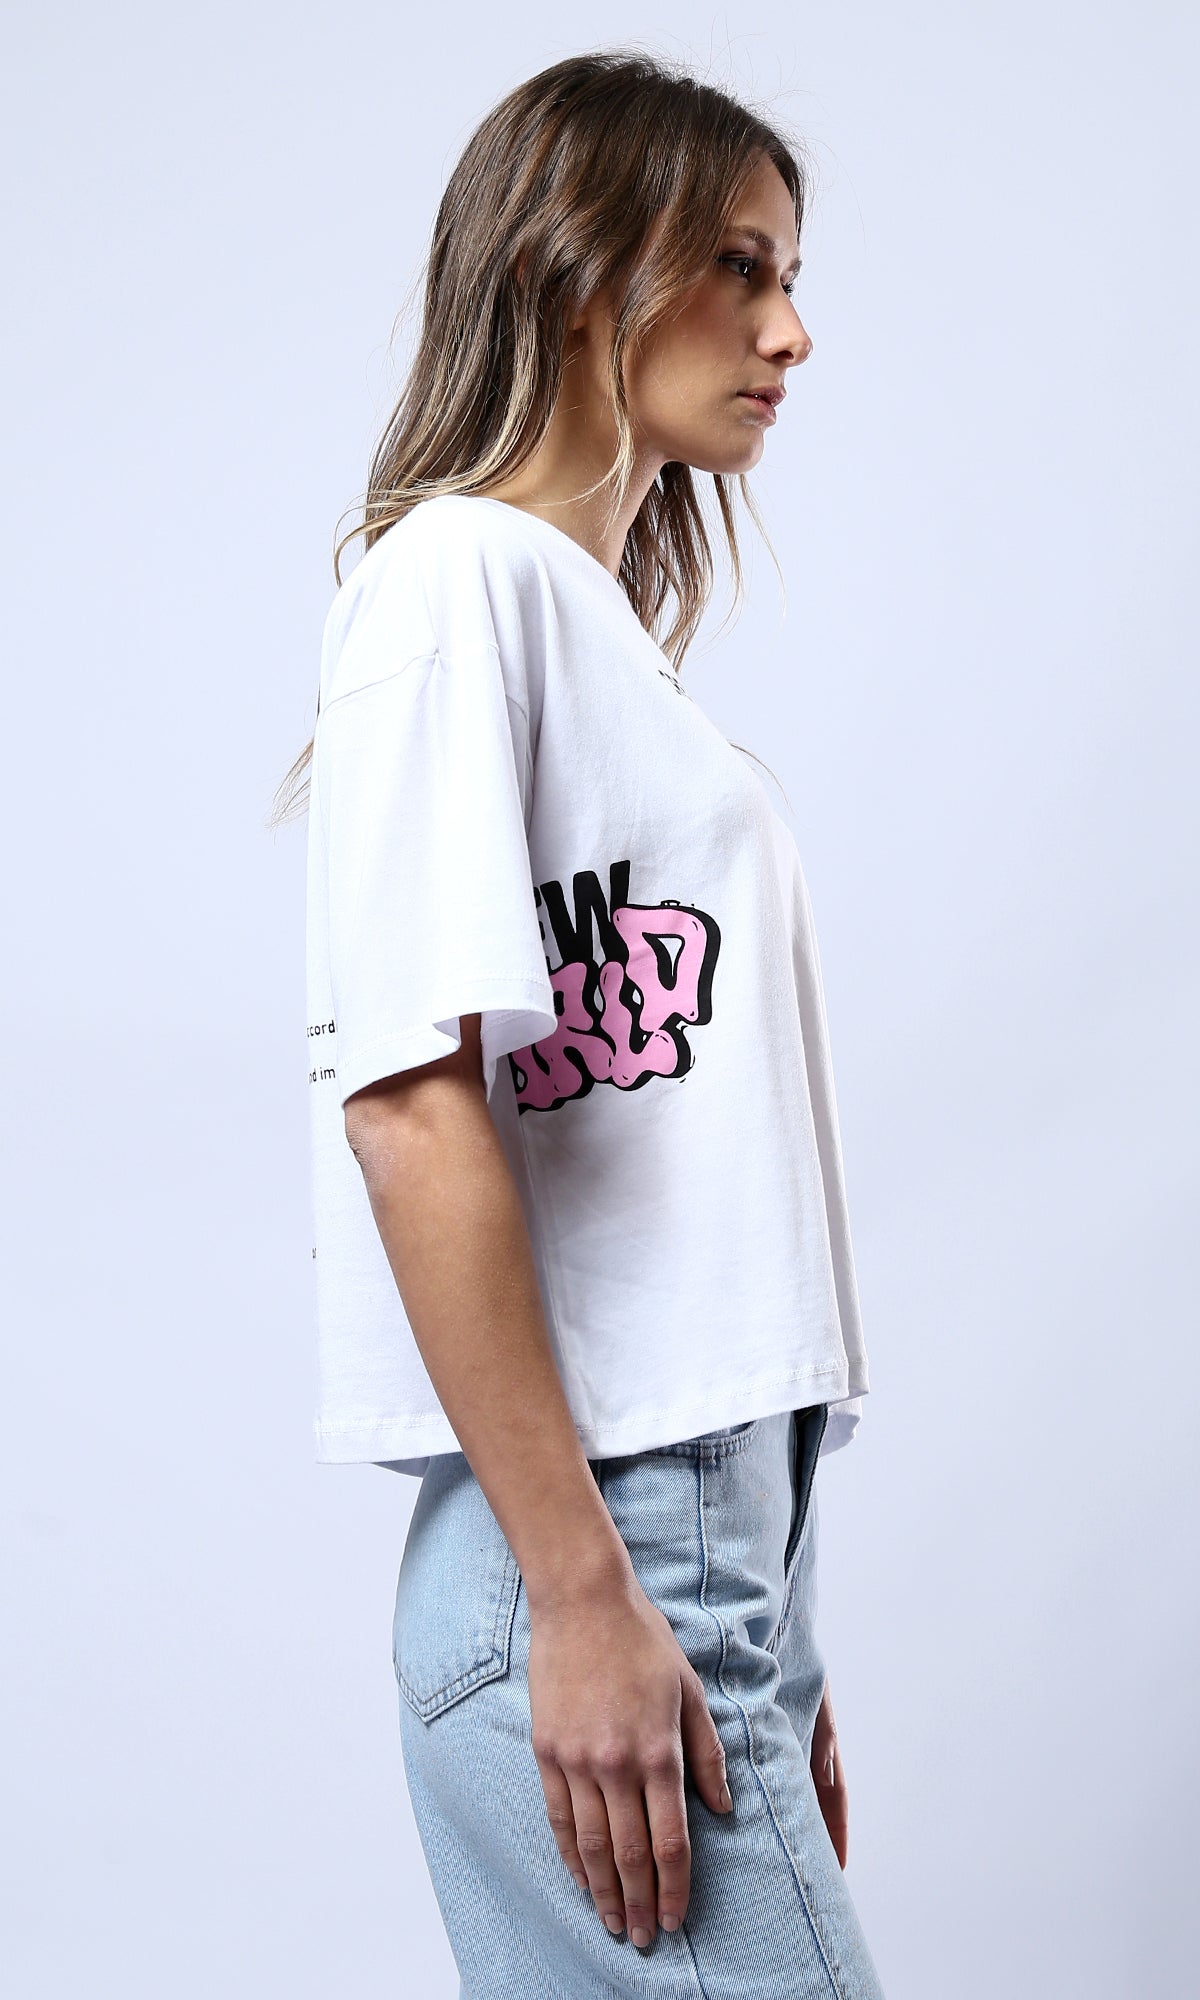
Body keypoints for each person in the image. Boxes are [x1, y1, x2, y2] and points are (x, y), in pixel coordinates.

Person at [275, 46, 885, 1999]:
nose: (790, 331)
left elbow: (686, 1189)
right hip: (604, 1539)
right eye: (739, 266)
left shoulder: (591, 640)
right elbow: (410, 1105)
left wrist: (776, 1636)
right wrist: (589, 1590)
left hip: (679, 1551)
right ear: (575, 267)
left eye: (790, 275)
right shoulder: (453, 583)